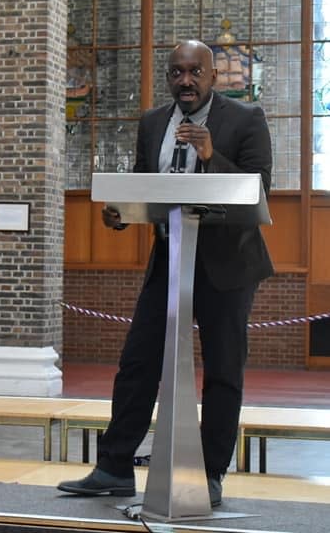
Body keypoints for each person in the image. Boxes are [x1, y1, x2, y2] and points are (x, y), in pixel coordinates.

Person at [57, 40, 273, 508]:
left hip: (229, 264)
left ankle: (210, 474)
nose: (186, 80)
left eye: (196, 72)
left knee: (222, 370)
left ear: (213, 76)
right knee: (137, 362)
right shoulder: (154, 122)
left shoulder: (245, 119)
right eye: (177, 72)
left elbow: (259, 191)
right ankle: (114, 466)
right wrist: (122, 213)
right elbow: (143, 185)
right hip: (170, 257)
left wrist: (213, 155)